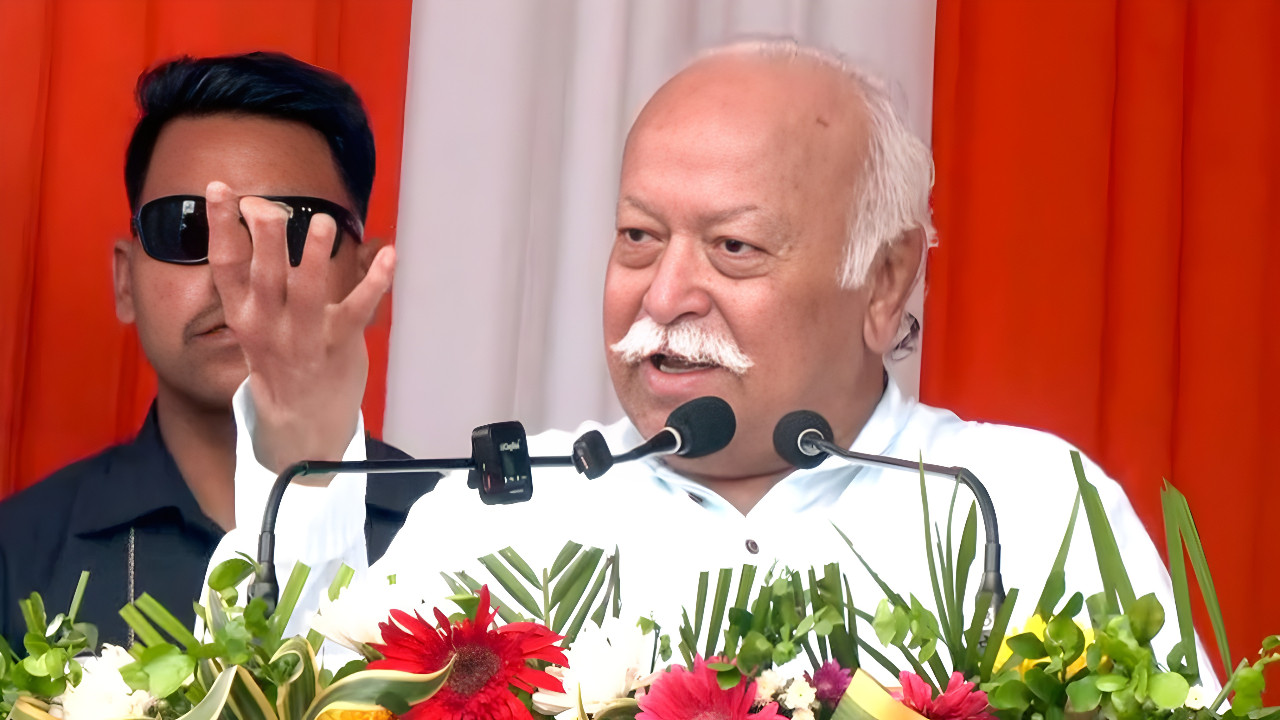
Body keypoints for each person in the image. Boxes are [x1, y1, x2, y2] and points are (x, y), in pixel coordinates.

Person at [208, 40, 1218, 684]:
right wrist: (303, 435)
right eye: (638, 238)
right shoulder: (505, 513)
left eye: (733, 248)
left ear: (884, 281)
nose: (663, 297)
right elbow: (283, 690)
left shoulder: (1018, 508)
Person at [0, 52, 437, 647]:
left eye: (289, 229)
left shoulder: (457, 532)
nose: (237, 268)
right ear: (126, 282)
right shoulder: (16, 557)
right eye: (188, 228)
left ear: (366, 279)